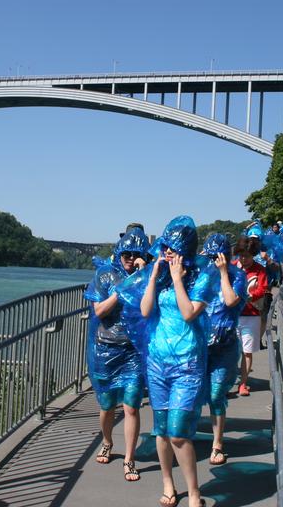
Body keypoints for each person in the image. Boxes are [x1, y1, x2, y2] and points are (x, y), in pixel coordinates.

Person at [117, 215, 212, 507]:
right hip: (157, 364)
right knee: (160, 429)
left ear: (185, 249)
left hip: (187, 365)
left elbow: (188, 313)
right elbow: (145, 311)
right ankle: (168, 484)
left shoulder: (202, 276)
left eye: (172, 247)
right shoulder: (160, 278)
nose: (166, 252)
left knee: (179, 432)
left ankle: (194, 492)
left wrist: (176, 279)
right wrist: (155, 275)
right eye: (165, 247)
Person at [84, 226, 149, 481]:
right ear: (120, 252)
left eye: (137, 254)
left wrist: (143, 276)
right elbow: (99, 311)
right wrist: (123, 290)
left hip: (133, 351)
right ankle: (108, 441)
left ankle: (130, 459)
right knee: (107, 405)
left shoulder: (147, 275)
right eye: (128, 254)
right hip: (106, 348)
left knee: (132, 407)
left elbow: (152, 308)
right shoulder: (105, 275)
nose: (132, 259)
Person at [194, 233, 247, 466]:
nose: (213, 261)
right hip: (199, 346)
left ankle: (217, 444)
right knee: (193, 392)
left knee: (216, 395)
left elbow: (229, 301)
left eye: (218, 256)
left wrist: (224, 272)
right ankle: (185, 434)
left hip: (224, 347)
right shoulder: (201, 276)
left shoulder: (238, 276)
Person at [234, 235, 267, 397]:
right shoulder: (233, 267)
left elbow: (263, 289)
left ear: (252, 255)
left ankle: (243, 383)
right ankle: (226, 383)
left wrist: (249, 296)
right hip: (232, 316)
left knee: (247, 352)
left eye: (246, 256)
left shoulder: (259, 269)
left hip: (251, 315)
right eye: (241, 255)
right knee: (231, 351)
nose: (243, 259)